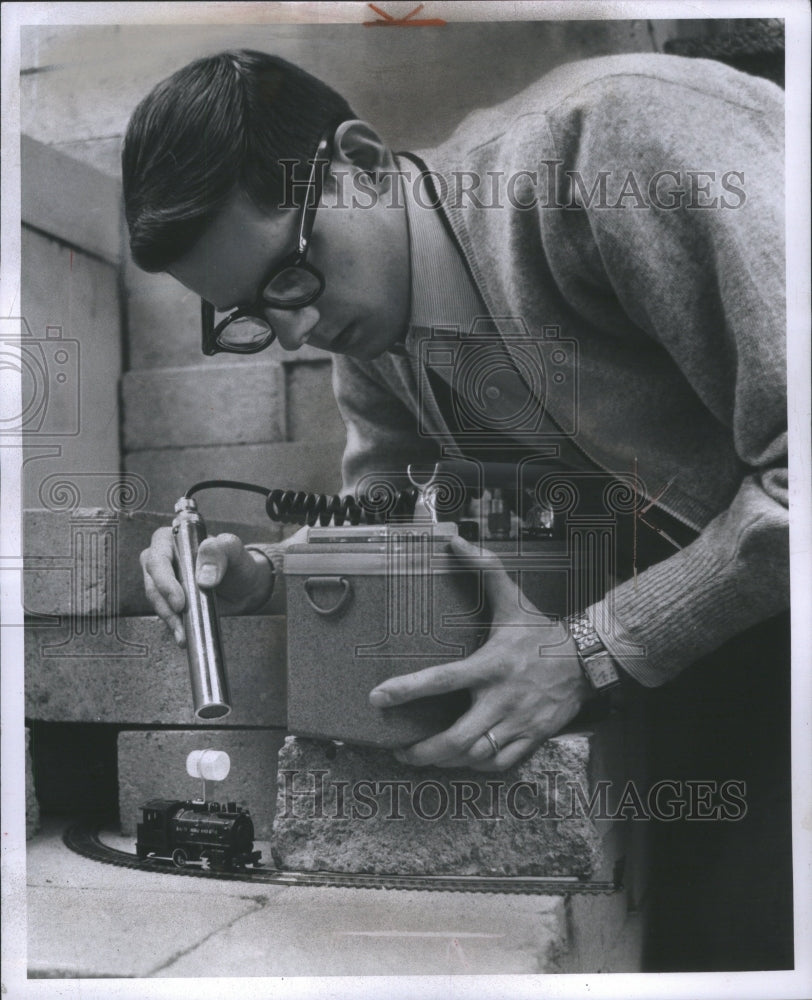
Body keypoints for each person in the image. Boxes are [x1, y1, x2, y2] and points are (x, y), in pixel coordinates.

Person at [125, 49, 790, 969]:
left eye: (288, 276)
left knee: (753, 938)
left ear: (359, 161)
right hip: (737, 622)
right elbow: (389, 534)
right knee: (686, 937)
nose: (296, 331)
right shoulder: (373, 337)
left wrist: (588, 649)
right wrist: (265, 575)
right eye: (247, 312)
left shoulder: (615, 145)